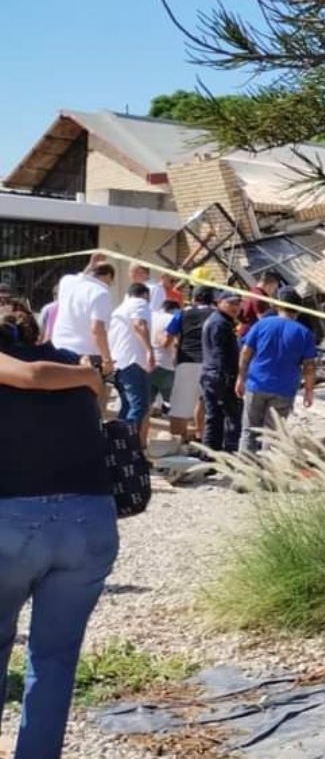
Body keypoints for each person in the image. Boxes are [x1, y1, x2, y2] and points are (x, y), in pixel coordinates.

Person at [0, 301, 115, 759]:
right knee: (55, 657)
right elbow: (97, 412)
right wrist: (90, 375)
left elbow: (30, 377)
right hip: (90, 518)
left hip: (11, 518)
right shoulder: (73, 365)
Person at [237, 287, 318, 453]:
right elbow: (309, 366)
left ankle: (244, 467)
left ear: (277, 305)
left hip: (256, 384)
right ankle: (268, 467)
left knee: (249, 431)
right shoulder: (304, 333)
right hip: (284, 389)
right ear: (298, 308)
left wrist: (241, 378)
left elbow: (245, 352)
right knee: (273, 435)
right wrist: (309, 391)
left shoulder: (262, 324)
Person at [107, 282, 155, 445]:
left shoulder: (119, 309)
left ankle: (118, 443)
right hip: (134, 361)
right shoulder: (139, 303)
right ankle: (126, 442)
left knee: (127, 406)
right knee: (139, 406)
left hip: (120, 362)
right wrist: (149, 350)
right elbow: (139, 324)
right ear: (145, 295)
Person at [164, 288, 214, 443]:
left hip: (187, 361)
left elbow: (169, 336)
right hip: (210, 364)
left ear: (194, 298)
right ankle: (202, 437)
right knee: (204, 402)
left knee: (180, 407)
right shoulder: (216, 314)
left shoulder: (182, 313)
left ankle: (178, 441)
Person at [50, 262, 116, 375]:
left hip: (58, 348)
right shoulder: (101, 292)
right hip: (85, 355)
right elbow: (98, 329)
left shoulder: (67, 281)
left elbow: (81, 277)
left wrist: (91, 264)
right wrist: (107, 359)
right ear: (108, 276)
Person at [201, 291, 244, 453]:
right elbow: (220, 353)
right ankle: (226, 452)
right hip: (220, 376)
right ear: (219, 303)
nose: (235, 307)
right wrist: (229, 377)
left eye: (237, 304)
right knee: (229, 416)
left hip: (213, 375)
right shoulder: (220, 324)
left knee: (215, 417)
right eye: (231, 303)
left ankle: (211, 452)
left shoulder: (221, 321)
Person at [150, 300, 181, 413]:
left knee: (147, 401)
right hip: (167, 364)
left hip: (150, 362)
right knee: (175, 402)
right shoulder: (173, 319)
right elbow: (174, 342)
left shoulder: (152, 317)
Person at [238, 271, 283, 338]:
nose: (274, 291)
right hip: (250, 335)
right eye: (274, 288)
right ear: (271, 284)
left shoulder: (253, 291)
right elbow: (265, 322)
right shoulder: (260, 297)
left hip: (246, 332)